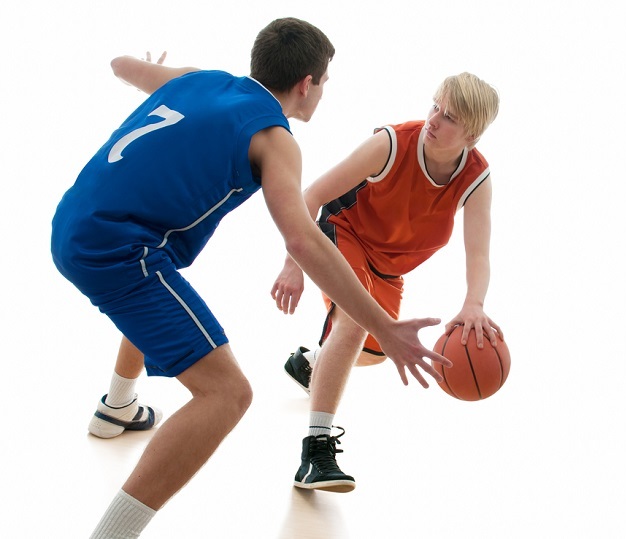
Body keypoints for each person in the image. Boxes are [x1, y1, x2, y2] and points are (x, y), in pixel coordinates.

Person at [51, 18, 448, 538]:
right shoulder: (274, 138)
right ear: (306, 83)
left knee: (166, 288)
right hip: (119, 253)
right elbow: (305, 241)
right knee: (228, 394)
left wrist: (141, 73)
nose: (324, 91)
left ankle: (118, 406)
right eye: (324, 81)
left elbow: (120, 65)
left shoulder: (196, 78)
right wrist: (385, 327)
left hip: (72, 221)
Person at [271, 72, 503, 492]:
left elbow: (479, 253)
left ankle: (310, 363)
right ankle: (315, 451)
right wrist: (293, 262)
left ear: (472, 132)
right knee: (355, 323)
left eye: (448, 116)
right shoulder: (392, 144)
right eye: (434, 106)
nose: (433, 119)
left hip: (388, 268)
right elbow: (310, 195)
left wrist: (474, 303)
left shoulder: (476, 177)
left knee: (375, 350)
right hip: (343, 234)